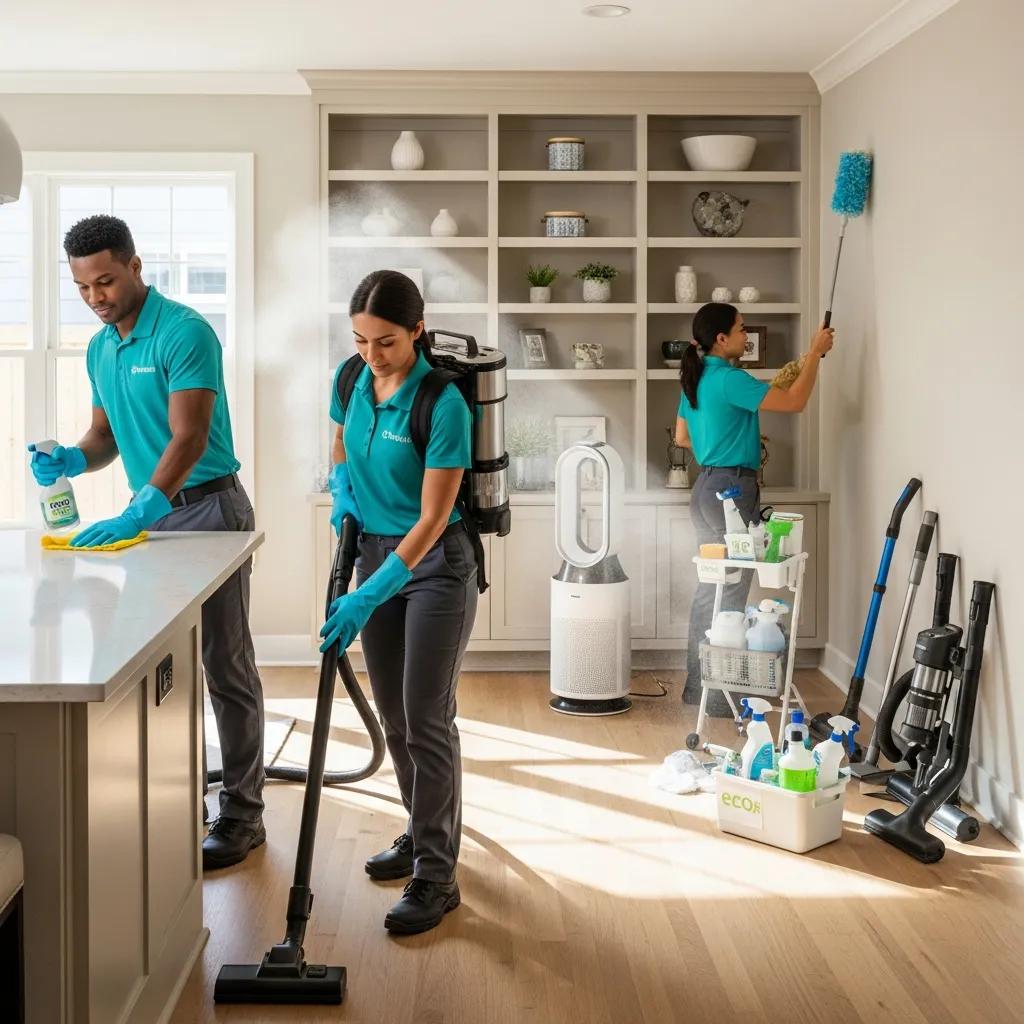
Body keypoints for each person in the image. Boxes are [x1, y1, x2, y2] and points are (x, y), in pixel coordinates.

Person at [27, 215, 266, 869]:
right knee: (164, 671)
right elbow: (104, 436)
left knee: (225, 664)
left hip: (209, 510)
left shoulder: (184, 331)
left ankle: (243, 816)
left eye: (105, 281)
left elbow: (188, 436)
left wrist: (144, 508)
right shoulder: (103, 348)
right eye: (82, 287)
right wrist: (71, 463)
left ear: (135, 267)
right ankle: (178, 804)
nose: (96, 297)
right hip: (152, 520)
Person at [323, 269, 477, 936]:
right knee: (394, 718)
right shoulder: (351, 378)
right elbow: (339, 442)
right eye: (359, 340)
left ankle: (439, 878)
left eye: (385, 342)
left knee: (426, 716)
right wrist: (339, 489)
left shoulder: (443, 404)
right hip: (372, 556)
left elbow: (434, 518)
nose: (371, 355)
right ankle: (420, 831)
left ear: (417, 330)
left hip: (435, 565)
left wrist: (366, 594)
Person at [674, 302, 834, 713]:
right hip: (732, 489)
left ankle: (699, 684)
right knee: (731, 589)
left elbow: (682, 439)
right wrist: (814, 354)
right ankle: (721, 695)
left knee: (711, 586)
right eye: (742, 330)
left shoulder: (696, 380)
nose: (747, 337)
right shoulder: (729, 379)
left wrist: (721, 443)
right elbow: (795, 402)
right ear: (721, 338)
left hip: (705, 486)